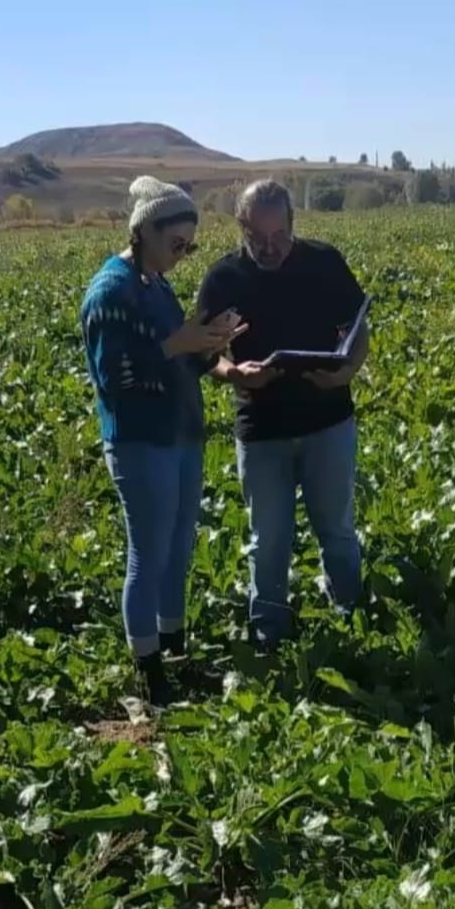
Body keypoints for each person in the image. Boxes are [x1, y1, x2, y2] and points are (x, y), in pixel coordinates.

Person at [80, 176, 240, 706]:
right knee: (148, 553)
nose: (181, 256)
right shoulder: (110, 292)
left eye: (188, 248)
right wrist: (178, 343)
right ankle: (149, 674)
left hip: (181, 435)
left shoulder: (157, 285)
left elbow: (181, 360)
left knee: (178, 548)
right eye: (176, 244)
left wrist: (214, 350)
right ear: (144, 230)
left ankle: (174, 651)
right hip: (140, 440)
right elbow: (113, 378)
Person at [197, 179, 369, 649]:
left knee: (337, 531)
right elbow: (204, 354)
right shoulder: (224, 279)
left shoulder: (324, 263)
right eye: (258, 238)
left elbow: (357, 328)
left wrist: (347, 370)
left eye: (279, 237)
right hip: (262, 430)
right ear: (240, 228)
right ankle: (269, 634)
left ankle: (352, 623)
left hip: (328, 420)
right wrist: (234, 373)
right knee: (268, 540)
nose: (270, 248)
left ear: (294, 224)